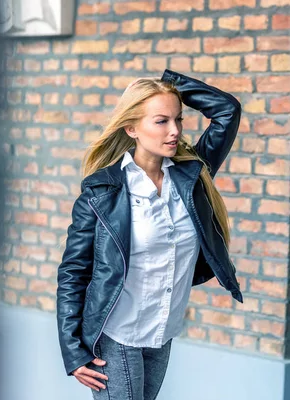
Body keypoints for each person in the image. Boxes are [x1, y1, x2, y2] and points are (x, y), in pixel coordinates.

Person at [56, 69, 244, 400]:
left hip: (162, 332)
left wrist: (170, 84)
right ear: (132, 128)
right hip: (117, 335)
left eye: (178, 120)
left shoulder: (191, 177)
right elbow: (74, 272)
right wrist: (73, 350)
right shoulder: (102, 192)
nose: (174, 131)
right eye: (161, 121)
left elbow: (227, 110)